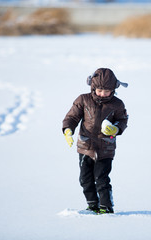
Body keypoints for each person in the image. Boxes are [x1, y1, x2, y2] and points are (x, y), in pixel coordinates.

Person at [62, 68, 128, 214]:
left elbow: (123, 120)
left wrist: (116, 129)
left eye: (107, 91)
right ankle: (92, 205)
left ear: (114, 89)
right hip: (85, 146)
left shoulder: (117, 104)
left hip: (105, 149)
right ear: (93, 87)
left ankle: (106, 207)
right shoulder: (83, 100)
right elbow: (72, 117)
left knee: (101, 179)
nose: (103, 94)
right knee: (85, 179)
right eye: (99, 90)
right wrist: (68, 130)